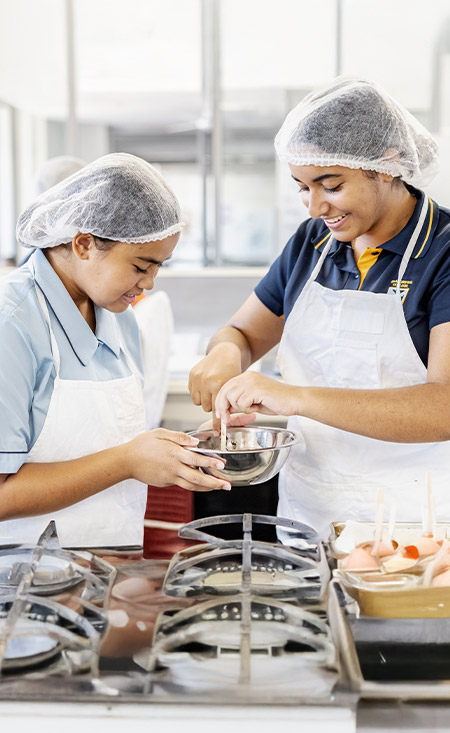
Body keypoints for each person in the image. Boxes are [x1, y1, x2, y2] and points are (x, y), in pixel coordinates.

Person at [189, 77, 450, 540]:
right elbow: (244, 333)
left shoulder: (442, 251)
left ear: (386, 164)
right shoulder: (313, 244)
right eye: (301, 188)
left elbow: (443, 406)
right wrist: (226, 356)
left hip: (416, 525)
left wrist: (295, 397)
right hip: (308, 514)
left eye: (330, 185)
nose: (314, 207)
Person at [0, 153, 231, 549]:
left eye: (159, 267)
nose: (150, 284)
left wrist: (186, 446)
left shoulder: (116, 314)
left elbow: (108, 440)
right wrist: (126, 462)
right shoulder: (13, 325)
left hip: (108, 568)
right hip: (21, 585)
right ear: (85, 244)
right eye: (142, 266)